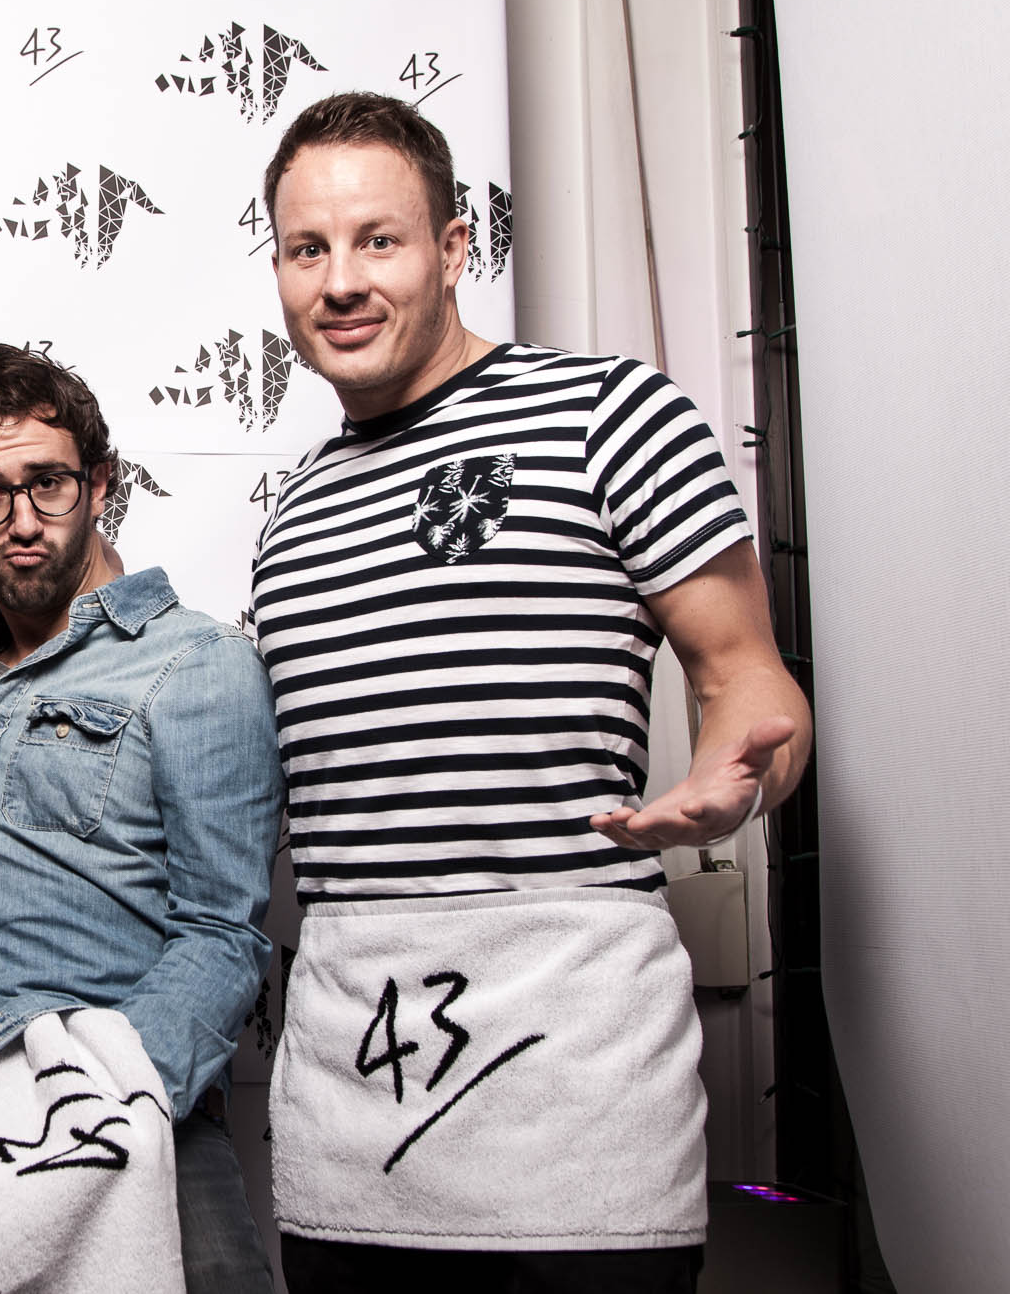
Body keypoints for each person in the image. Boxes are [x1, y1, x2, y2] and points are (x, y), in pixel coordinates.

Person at [252, 92, 812, 1293]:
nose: (340, 281)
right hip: (348, 1094)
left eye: (377, 240)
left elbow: (749, 680)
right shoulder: (290, 515)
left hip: (576, 1075)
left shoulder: (611, 414)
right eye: (307, 249)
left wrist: (736, 779)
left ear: (453, 247)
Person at [0, 344, 284, 1293]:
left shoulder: (197, 663)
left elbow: (222, 934)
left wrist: (93, 1111)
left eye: (50, 483)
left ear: (100, 482)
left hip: (124, 1097)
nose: (25, 520)